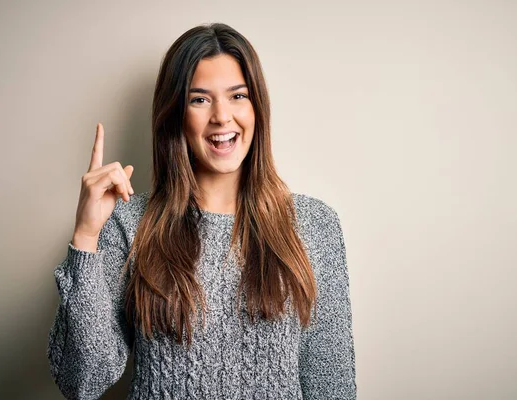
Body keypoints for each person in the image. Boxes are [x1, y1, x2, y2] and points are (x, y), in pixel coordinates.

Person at [47, 22, 357, 399]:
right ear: (176, 114)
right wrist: (85, 238)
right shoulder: (130, 225)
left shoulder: (313, 225)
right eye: (200, 99)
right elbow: (83, 380)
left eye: (238, 96)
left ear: (258, 106)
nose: (222, 117)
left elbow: (331, 386)